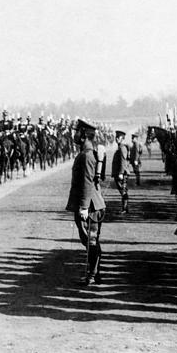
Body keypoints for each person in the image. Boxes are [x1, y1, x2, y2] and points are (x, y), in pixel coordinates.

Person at [66, 119, 107, 286]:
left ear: (83, 135)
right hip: (89, 205)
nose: (74, 135)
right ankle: (95, 273)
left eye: (77, 132)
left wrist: (83, 207)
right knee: (90, 241)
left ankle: (92, 274)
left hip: (90, 207)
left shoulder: (87, 156)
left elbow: (87, 183)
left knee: (90, 242)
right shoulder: (86, 154)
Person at [111, 130, 130, 214]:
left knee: (123, 190)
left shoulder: (122, 148)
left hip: (122, 174)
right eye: (116, 137)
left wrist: (121, 173)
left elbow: (123, 161)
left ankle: (124, 209)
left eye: (118, 137)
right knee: (123, 190)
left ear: (122, 138)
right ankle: (125, 208)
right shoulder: (120, 147)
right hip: (120, 173)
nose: (116, 139)